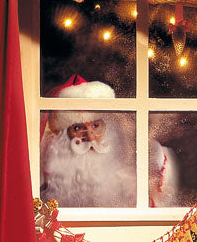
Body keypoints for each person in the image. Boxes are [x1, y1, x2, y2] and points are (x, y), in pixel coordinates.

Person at [40, 80, 136, 208]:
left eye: (95, 126)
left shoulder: (127, 183)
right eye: (78, 128)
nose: (90, 137)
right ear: (63, 136)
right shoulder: (42, 182)